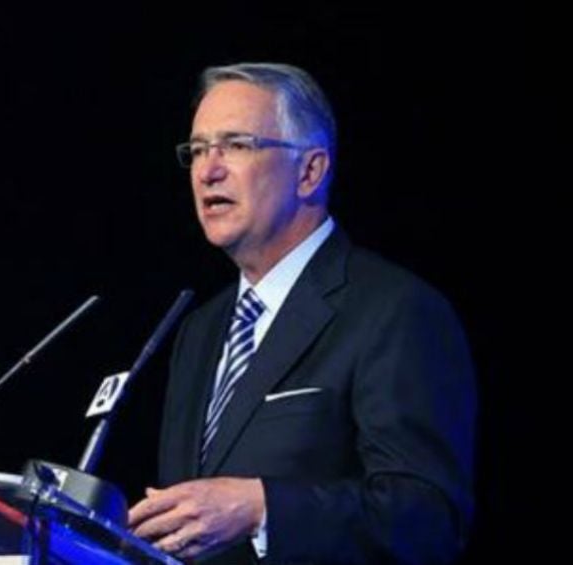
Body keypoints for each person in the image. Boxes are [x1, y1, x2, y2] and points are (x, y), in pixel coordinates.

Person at [127, 63, 476, 564]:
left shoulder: (395, 311)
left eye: (236, 145)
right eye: (198, 150)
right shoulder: (198, 330)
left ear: (310, 171)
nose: (207, 171)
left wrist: (262, 509)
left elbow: (427, 518)